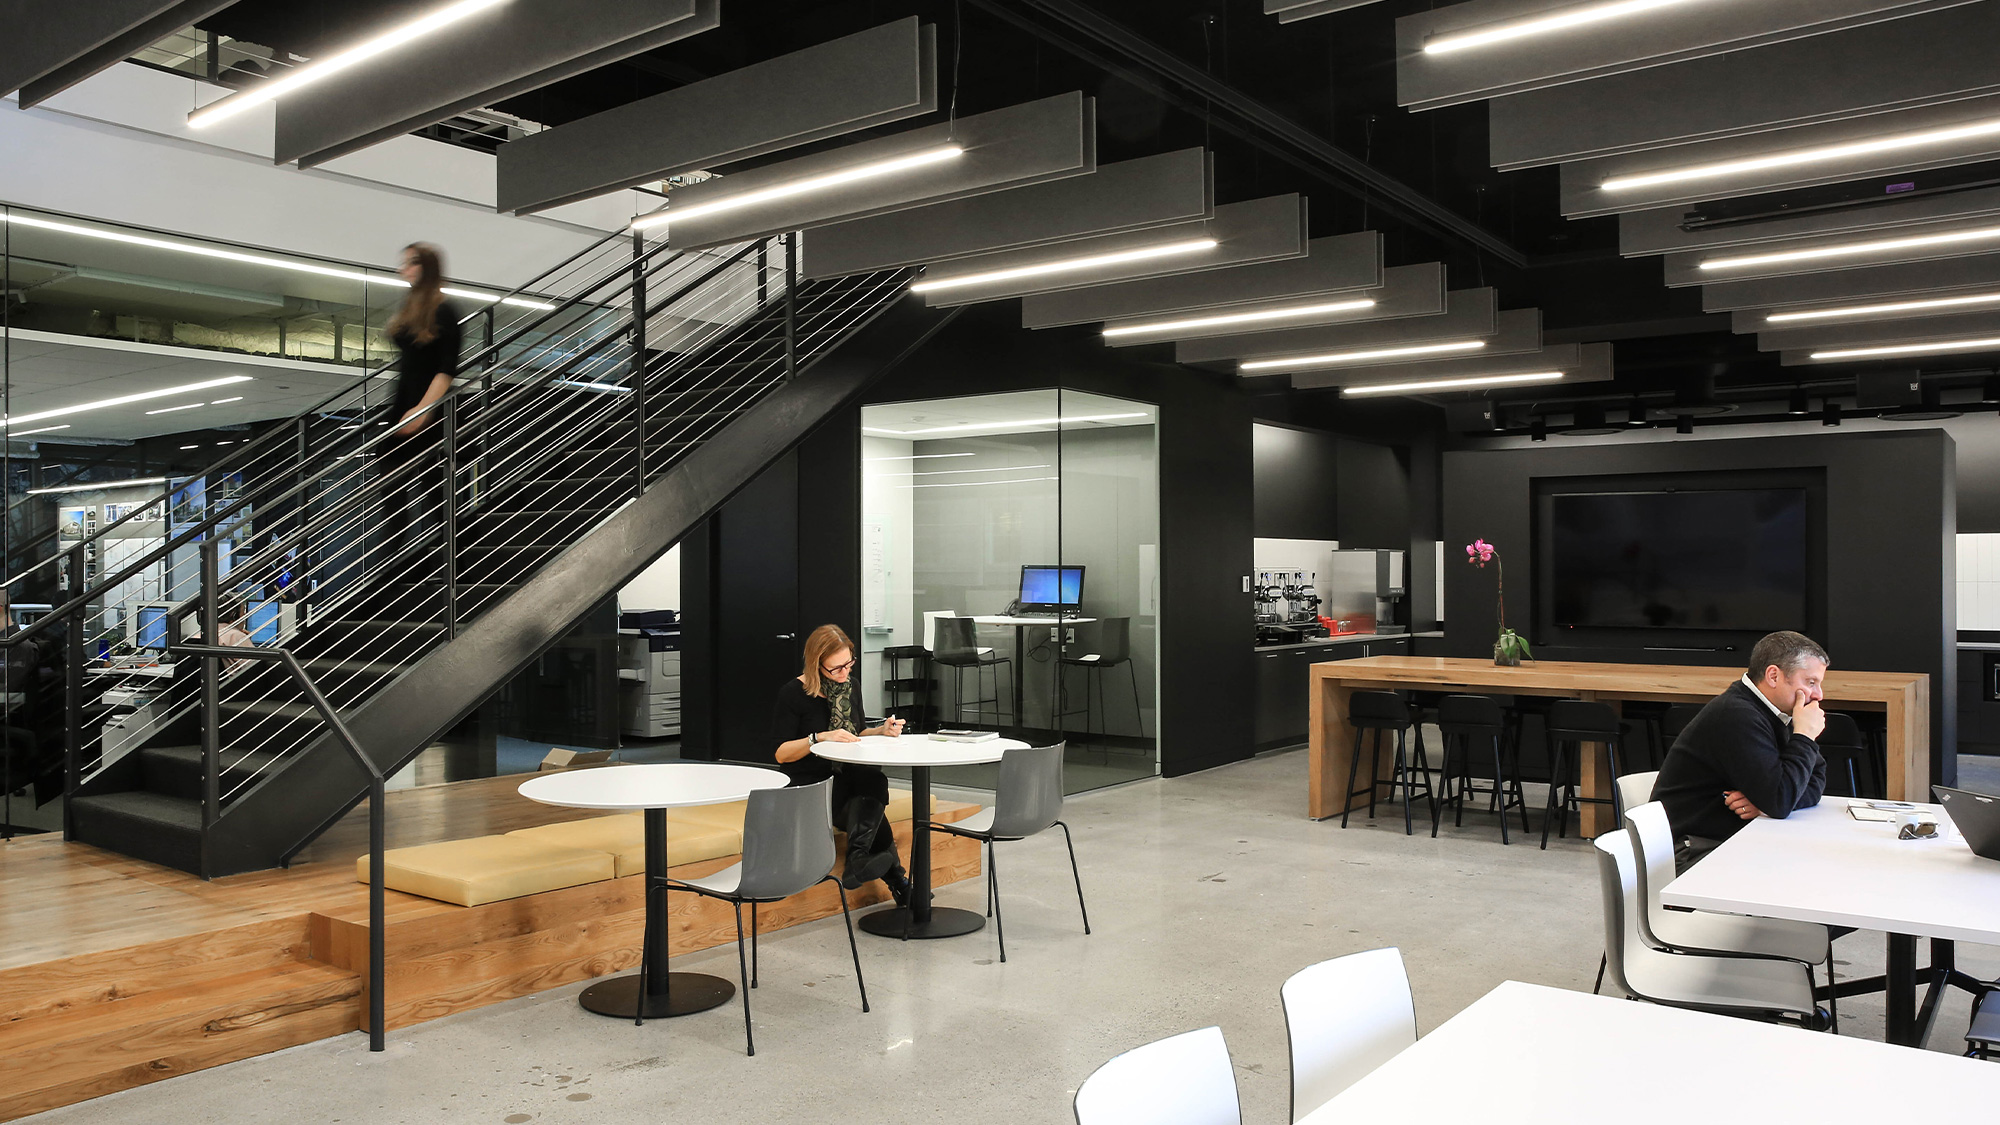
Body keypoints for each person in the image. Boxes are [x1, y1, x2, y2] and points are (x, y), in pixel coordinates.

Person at [1651, 630, 1830, 869]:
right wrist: (1805, 735)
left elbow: (1815, 779)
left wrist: (1765, 802)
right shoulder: (1737, 715)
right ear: (1774, 676)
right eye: (1810, 682)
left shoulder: (1777, 712)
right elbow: (1781, 799)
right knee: (1803, 873)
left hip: (1728, 841)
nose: (1818, 695)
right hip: (1689, 853)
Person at [770, 624, 918, 905]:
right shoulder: (792, 694)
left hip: (845, 777)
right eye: (836, 668)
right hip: (809, 783)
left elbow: (856, 733)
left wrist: (880, 731)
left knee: (872, 780)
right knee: (867, 796)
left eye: (848, 664)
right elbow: (781, 754)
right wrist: (817, 737)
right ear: (817, 666)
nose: (844, 673)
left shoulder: (850, 687)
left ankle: (859, 858)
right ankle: (896, 881)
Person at [380, 242, 462, 563]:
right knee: (392, 485)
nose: (404, 269)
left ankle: (450, 564)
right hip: (402, 406)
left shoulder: (445, 310)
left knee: (432, 491)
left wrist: (423, 410)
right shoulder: (412, 308)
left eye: (411, 263)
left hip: (427, 411)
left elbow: (446, 370)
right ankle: (394, 561)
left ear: (427, 267)